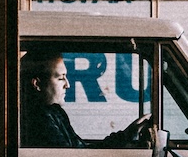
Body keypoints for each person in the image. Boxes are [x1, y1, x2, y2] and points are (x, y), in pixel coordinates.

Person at [21, 52, 153, 148]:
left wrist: (126, 135)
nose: (68, 85)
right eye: (61, 78)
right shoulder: (37, 119)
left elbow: (82, 150)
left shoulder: (54, 112)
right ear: (37, 84)